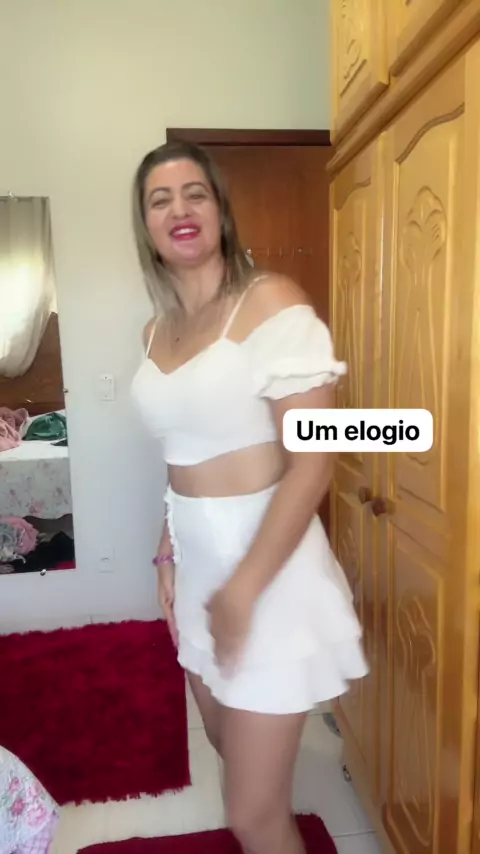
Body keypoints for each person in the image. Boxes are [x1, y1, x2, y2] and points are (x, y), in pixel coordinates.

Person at [131, 140, 368, 854]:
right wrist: (167, 548)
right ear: (145, 224)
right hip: (198, 568)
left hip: (269, 572)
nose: (179, 208)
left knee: (252, 816)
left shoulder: (272, 305)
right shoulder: (155, 330)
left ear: (220, 209)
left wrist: (243, 589)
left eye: (194, 192)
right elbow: (180, 456)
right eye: (160, 199)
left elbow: (313, 464)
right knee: (224, 743)